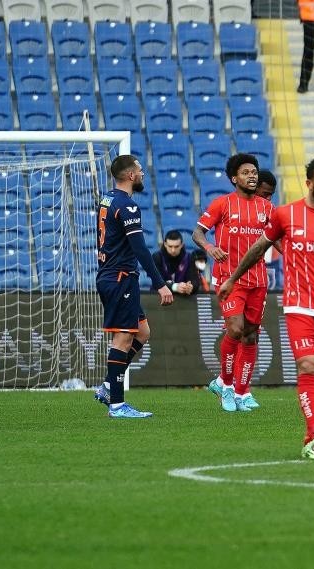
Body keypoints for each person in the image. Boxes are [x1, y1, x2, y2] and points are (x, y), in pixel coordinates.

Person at [219, 156, 314, 460]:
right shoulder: (286, 215)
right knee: (308, 365)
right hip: (299, 306)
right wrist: (232, 279)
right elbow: (258, 248)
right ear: (309, 183)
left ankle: (312, 435)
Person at [92, 155, 174, 418]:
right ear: (130, 175)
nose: (142, 173)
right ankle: (117, 405)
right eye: (139, 170)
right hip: (120, 277)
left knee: (143, 332)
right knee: (124, 337)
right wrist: (160, 284)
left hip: (112, 275)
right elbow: (140, 249)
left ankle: (109, 386)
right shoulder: (127, 206)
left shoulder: (107, 199)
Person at [193, 154, 273, 413]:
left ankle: (242, 392)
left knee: (250, 335)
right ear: (234, 178)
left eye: (254, 172)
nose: (252, 176)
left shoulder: (267, 208)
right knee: (236, 329)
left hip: (258, 280)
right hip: (230, 279)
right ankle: (226, 385)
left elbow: (278, 239)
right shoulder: (222, 203)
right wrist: (210, 247)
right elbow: (197, 232)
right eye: (246, 172)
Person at [150, 230, 202, 296]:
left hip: (183, 298)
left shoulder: (189, 258)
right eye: (170, 246)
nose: (173, 250)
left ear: (182, 245)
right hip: (158, 297)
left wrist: (190, 287)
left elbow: (195, 281)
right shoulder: (156, 257)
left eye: (176, 246)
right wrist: (175, 287)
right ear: (165, 244)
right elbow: (156, 282)